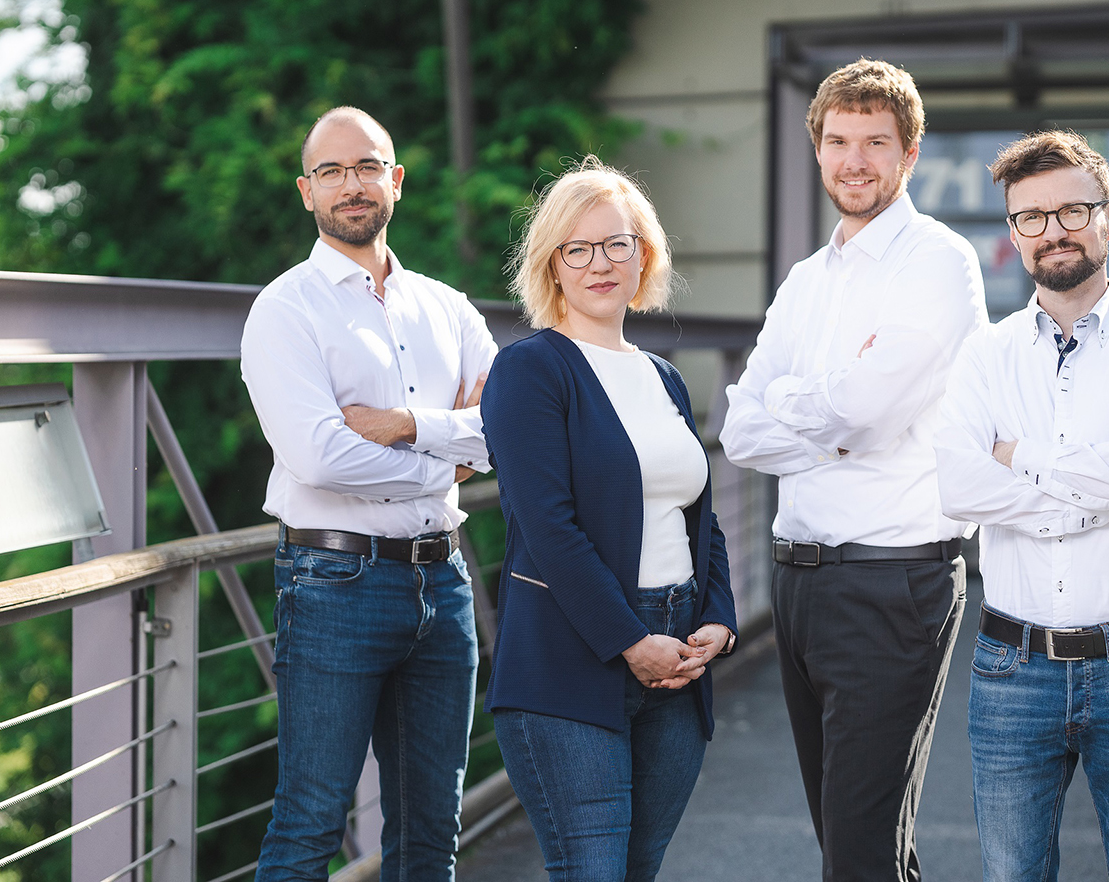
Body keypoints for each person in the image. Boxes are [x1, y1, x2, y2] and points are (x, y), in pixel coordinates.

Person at [719, 58, 988, 881]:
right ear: (818, 150)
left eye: (876, 141)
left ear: (909, 154)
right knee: (853, 844)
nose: (855, 159)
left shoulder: (938, 262)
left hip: (891, 582)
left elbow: (868, 410)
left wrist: (815, 408)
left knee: (861, 847)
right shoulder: (806, 282)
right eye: (839, 140)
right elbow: (739, 430)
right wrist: (832, 412)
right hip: (800, 581)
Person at [933, 130, 1109, 882]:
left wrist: (1020, 455)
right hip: (1010, 668)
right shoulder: (983, 356)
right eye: (1031, 216)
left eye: (1071, 210)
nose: (1052, 229)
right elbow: (960, 489)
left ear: (1108, 219)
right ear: (1014, 234)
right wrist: (1099, 484)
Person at [241, 106, 497, 881]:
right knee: (310, 822)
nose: (351, 185)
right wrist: (444, 454)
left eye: (367, 166)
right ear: (306, 192)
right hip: (332, 584)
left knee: (430, 830)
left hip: (442, 582)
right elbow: (316, 456)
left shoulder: (447, 307)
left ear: (397, 179)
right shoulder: (286, 309)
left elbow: (504, 426)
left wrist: (401, 425)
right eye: (331, 172)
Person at [479, 157, 738, 882]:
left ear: (643, 255)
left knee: (636, 869)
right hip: (572, 655)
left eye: (617, 244)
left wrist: (717, 616)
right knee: (590, 870)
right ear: (552, 264)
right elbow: (549, 528)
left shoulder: (662, 377)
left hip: (681, 648)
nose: (600, 263)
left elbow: (698, 517)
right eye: (578, 248)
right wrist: (630, 640)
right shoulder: (531, 370)